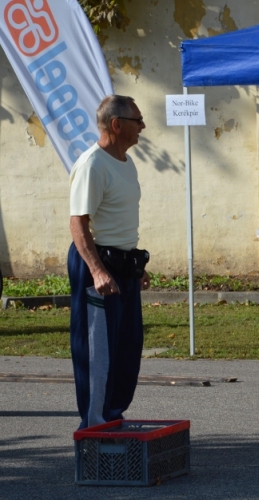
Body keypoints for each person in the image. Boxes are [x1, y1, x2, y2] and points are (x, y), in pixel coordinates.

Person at [68, 95, 150, 430]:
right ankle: (94, 427)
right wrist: (98, 270)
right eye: (138, 121)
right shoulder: (92, 165)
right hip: (96, 265)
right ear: (117, 125)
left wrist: (136, 266)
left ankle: (112, 418)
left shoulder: (126, 162)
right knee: (98, 353)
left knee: (128, 348)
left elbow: (119, 220)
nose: (143, 127)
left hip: (123, 265)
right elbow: (78, 223)